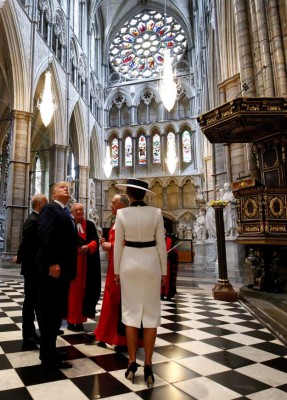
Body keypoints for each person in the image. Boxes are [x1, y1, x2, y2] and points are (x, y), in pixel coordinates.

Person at [114, 178, 167, 386]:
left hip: (129, 263)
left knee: (130, 313)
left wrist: (117, 271)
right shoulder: (156, 213)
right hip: (152, 263)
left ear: (128, 194)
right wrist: (163, 272)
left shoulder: (121, 214)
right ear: (145, 195)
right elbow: (161, 245)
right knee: (151, 314)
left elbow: (118, 245)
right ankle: (149, 364)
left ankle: (131, 361)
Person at [36, 181, 78, 369]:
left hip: (63, 271)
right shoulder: (50, 209)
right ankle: (47, 356)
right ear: (53, 195)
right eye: (61, 187)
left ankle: (51, 349)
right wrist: (53, 261)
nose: (66, 188)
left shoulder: (64, 211)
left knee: (56, 314)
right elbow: (45, 235)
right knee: (49, 313)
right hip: (53, 270)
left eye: (67, 187)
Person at [85, 194, 130, 348]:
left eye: (113, 203)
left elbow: (130, 244)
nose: (110, 205)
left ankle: (119, 338)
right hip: (114, 266)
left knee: (118, 301)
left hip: (123, 267)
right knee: (110, 300)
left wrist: (110, 246)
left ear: (122, 206)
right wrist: (108, 244)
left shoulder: (128, 221)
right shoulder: (116, 221)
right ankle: (104, 333)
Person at [13, 194, 48, 344]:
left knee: (33, 301)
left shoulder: (36, 218)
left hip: (34, 267)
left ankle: (32, 332)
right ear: (39, 205)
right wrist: (20, 257)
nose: (47, 206)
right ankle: (28, 334)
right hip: (32, 268)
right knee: (30, 302)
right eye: (45, 203)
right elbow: (26, 242)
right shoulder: (33, 220)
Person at [66, 203, 101, 331]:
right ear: (72, 212)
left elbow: (94, 241)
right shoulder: (69, 224)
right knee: (71, 293)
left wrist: (88, 247)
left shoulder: (90, 225)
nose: (79, 211)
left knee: (83, 293)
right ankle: (70, 320)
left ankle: (80, 320)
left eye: (81, 209)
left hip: (86, 264)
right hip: (72, 263)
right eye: (76, 210)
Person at [161, 231, 179, 300]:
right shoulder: (156, 240)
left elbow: (175, 251)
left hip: (168, 262)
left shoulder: (170, 241)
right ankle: (161, 294)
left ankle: (168, 294)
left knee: (168, 277)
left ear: (165, 232)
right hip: (159, 263)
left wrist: (169, 255)